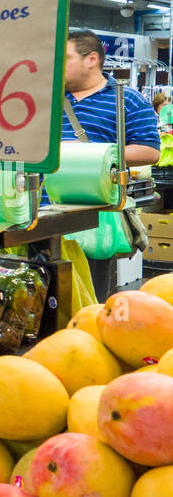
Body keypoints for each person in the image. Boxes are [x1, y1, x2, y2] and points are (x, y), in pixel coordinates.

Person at [57, 30, 161, 297]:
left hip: (94, 218)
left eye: (64, 57)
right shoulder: (48, 101)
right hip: (41, 210)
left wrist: (93, 155)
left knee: (89, 298)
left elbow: (150, 151)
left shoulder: (127, 100)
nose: (56, 64)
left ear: (91, 59)